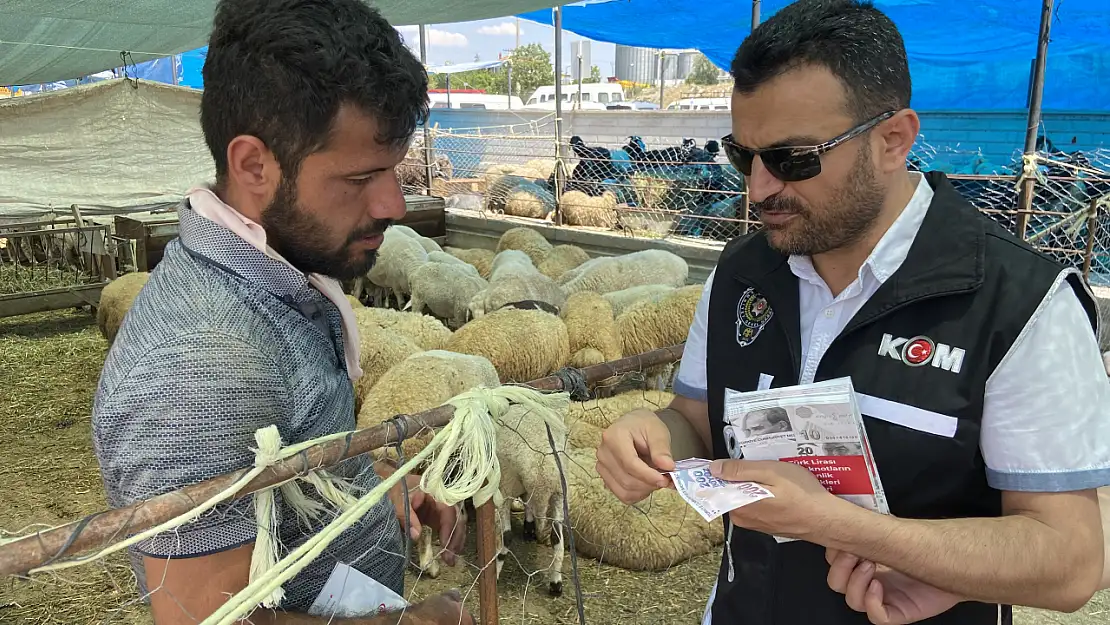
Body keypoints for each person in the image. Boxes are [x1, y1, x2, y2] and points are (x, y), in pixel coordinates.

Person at [595, 1, 1109, 624]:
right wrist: (652, 436)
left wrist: (851, 528)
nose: (758, 188)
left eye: (792, 160)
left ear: (893, 140)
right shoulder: (742, 273)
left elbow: (1068, 560)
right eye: (743, 156)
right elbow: (695, 421)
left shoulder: (1021, 303)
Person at [90, 1, 472, 623]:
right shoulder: (202, 366)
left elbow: (283, 460)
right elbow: (204, 619)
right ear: (253, 166)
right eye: (361, 177)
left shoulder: (281, 280)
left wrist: (371, 490)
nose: (396, 204)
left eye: (395, 170)